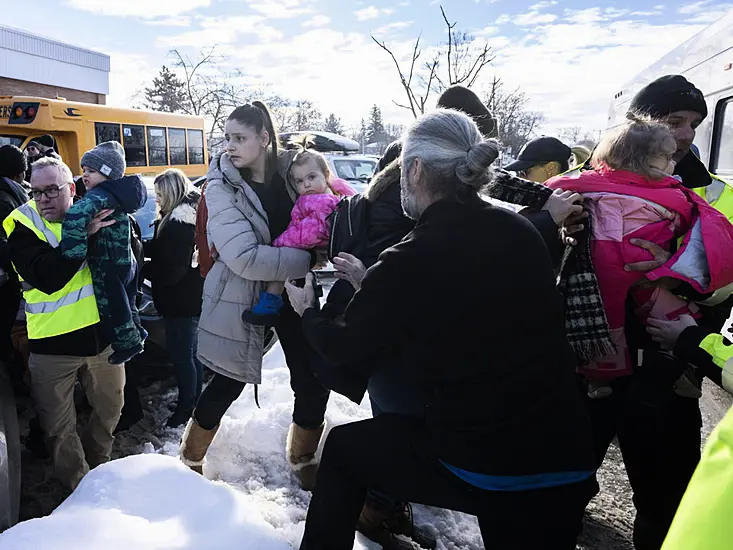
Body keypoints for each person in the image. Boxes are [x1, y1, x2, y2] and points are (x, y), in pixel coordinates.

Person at [287, 109, 597, 550]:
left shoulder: (412, 255)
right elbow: (472, 312)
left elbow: (343, 347)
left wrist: (307, 312)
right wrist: (372, 285)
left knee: (344, 450)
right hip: (565, 453)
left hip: (487, 459)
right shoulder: (521, 231)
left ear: (412, 170)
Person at [179, 102, 329, 491]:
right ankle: (190, 458)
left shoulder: (292, 175)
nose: (230, 146)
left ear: (264, 139)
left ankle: (303, 458)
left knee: (312, 377)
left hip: (292, 293)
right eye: (227, 137)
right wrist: (307, 258)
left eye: (240, 138)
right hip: (241, 294)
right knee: (229, 380)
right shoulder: (221, 186)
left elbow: (325, 210)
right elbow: (243, 258)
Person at [546, 115, 733, 398]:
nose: (673, 163)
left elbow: (554, 188)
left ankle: (599, 376)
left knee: (607, 322)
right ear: (645, 161)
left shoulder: (590, 182)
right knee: (666, 310)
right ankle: (684, 357)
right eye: (667, 158)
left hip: (603, 262)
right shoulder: (670, 191)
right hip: (649, 267)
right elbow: (688, 215)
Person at [2, 156, 124, 490]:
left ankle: (100, 469)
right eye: (36, 191)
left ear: (72, 188)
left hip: (101, 342)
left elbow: (123, 261)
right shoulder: (21, 224)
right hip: (51, 347)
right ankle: (80, 490)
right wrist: (83, 237)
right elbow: (48, 276)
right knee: (59, 429)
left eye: (51, 191)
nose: (42, 199)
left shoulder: (96, 210)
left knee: (110, 411)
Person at [242, 144, 355, 326]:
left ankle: (270, 302)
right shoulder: (321, 196)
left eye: (311, 177)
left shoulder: (323, 200)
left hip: (306, 241)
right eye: (299, 181)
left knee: (280, 266)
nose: (306, 184)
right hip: (311, 245)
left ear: (325, 175)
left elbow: (312, 231)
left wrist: (281, 241)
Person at [61, 141, 148, 365]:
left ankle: (127, 344)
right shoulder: (120, 194)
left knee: (112, 307)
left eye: (90, 170)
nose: (84, 176)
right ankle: (138, 333)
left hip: (106, 260)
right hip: (124, 260)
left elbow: (74, 215)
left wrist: (74, 251)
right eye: (83, 170)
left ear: (107, 173)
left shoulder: (99, 195)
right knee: (127, 302)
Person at [143, 169, 204, 428]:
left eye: (159, 195)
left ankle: (186, 408)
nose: (157, 200)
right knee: (192, 355)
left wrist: (144, 267)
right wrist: (143, 247)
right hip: (190, 299)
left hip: (182, 302)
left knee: (183, 357)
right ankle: (195, 400)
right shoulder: (181, 219)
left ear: (171, 193)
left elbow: (172, 271)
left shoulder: (179, 225)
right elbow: (164, 251)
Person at [504, 136, 572, 182]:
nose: (520, 178)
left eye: (525, 172)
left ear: (551, 168)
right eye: (518, 173)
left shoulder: (570, 202)